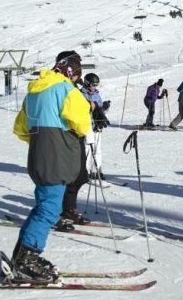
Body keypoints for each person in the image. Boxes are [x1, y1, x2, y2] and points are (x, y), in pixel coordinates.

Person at [10, 50, 91, 283]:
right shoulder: (66, 90)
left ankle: (21, 255)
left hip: (38, 156)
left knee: (43, 206)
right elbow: (83, 125)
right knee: (49, 210)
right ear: (72, 74)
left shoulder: (34, 91)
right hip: (57, 157)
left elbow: (21, 129)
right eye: (76, 75)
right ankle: (28, 260)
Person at [79, 73, 110, 179]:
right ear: (87, 83)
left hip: (97, 125)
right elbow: (83, 109)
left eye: (96, 85)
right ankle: (85, 171)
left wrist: (104, 108)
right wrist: (94, 107)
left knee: (98, 149)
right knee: (87, 148)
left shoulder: (97, 94)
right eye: (93, 84)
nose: (94, 87)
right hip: (87, 125)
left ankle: (97, 170)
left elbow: (99, 109)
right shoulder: (80, 94)